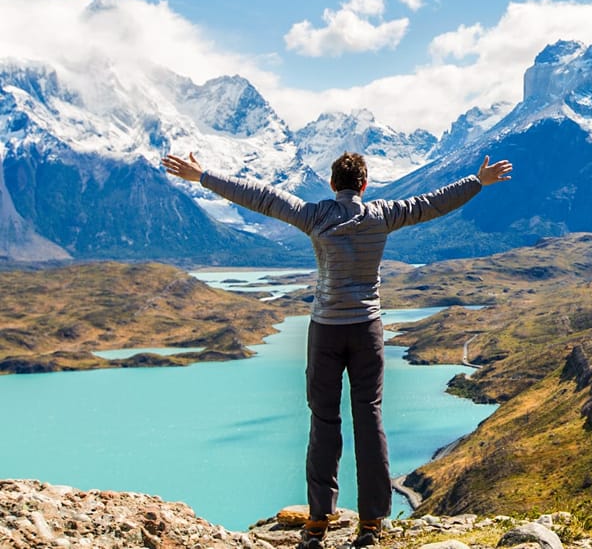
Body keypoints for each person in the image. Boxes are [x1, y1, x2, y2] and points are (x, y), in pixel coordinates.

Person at [162, 151, 512, 548]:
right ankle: (371, 523)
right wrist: (477, 182)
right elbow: (431, 203)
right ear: (365, 186)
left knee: (323, 421)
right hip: (367, 331)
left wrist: (204, 175)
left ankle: (317, 522)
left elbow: (260, 196)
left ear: (332, 185)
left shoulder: (315, 216)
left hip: (326, 331)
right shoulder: (383, 214)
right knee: (369, 419)